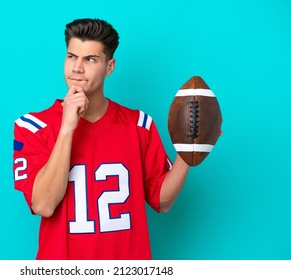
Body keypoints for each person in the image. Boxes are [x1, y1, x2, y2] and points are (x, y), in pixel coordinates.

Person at [13, 18, 190, 260]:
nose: (77, 68)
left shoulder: (139, 124)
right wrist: (67, 128)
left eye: (90, 59)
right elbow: (43, 204)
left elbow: (162, 201)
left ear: (109, 67)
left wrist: (189, 152)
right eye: (71, 56)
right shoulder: (33, 126)